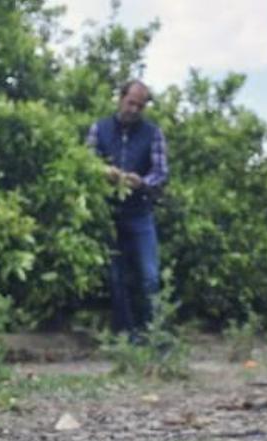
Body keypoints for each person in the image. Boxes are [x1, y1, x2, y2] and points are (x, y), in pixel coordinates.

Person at [85, 80, 169, 339]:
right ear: (121, 99)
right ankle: (126, 336)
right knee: (116, 278)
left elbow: (161, 173)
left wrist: (142, 182)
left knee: (150, 276)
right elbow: (85, 162)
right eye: (131, 103)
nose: (134, 109)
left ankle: (153, 334)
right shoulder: (100, 128)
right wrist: (102, 171)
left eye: (140, 106)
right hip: (108, 214)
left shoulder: (152, 133)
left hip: (140, 212)